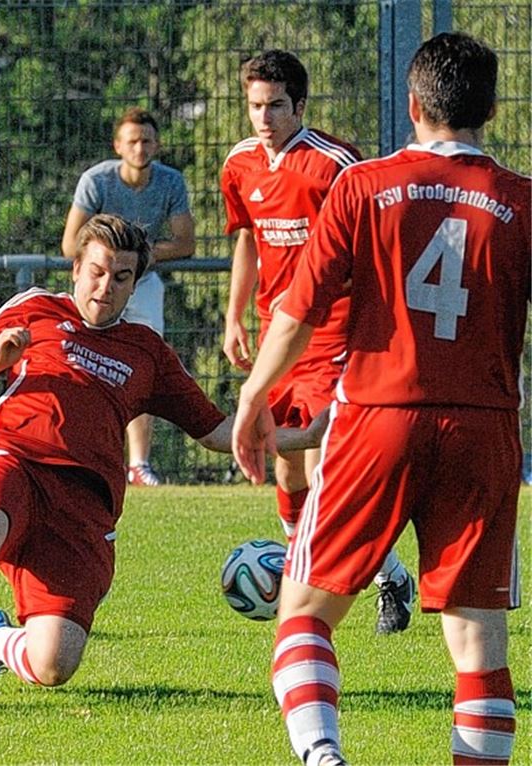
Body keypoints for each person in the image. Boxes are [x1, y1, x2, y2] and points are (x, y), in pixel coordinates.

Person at [231, 33, 527, 766]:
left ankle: (323, 756)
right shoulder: (523, 201)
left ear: (414, 103)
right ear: (489, 108)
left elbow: (297, 313)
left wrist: (254, 396)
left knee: (304, 613)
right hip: (483, 428)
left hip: (375, 417)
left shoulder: (362, 185)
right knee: (477, 645)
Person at [0, 214, 325, 694]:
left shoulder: (146, 352)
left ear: (134, 286)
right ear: (77, 269)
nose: (105, 287)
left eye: (121, 277)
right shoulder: (35, 308)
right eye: (97, 271)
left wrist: (310, 436)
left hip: (84, 506)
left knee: (54, 664)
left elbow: (215, 431)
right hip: (16, 458)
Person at [220, 49, 415, 635]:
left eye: (275, 105)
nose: (263, 117)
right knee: (287, 471)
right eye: (254, 105)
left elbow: (369, 252)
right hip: (276, 337)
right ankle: (326, 567)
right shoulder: (239, 165)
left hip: (332, 332)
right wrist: (234, 316)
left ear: (300, 105)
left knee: (332, 464)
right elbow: (249, 241)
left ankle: (382, 579)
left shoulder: (336, 166)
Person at [61, 107, 195, 487]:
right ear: (118, 145)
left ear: (158, 144)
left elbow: (185, 241)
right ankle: (78, 452)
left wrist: (135, 260)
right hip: (97, 281)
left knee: (140, 365)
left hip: (144, 281)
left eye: (147, 140)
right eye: (132, 141)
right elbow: (71, 242)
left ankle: (138, 463)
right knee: (80, 362)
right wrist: (109, 264)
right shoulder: (96, 180)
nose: (140, 148)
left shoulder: (171, 181)